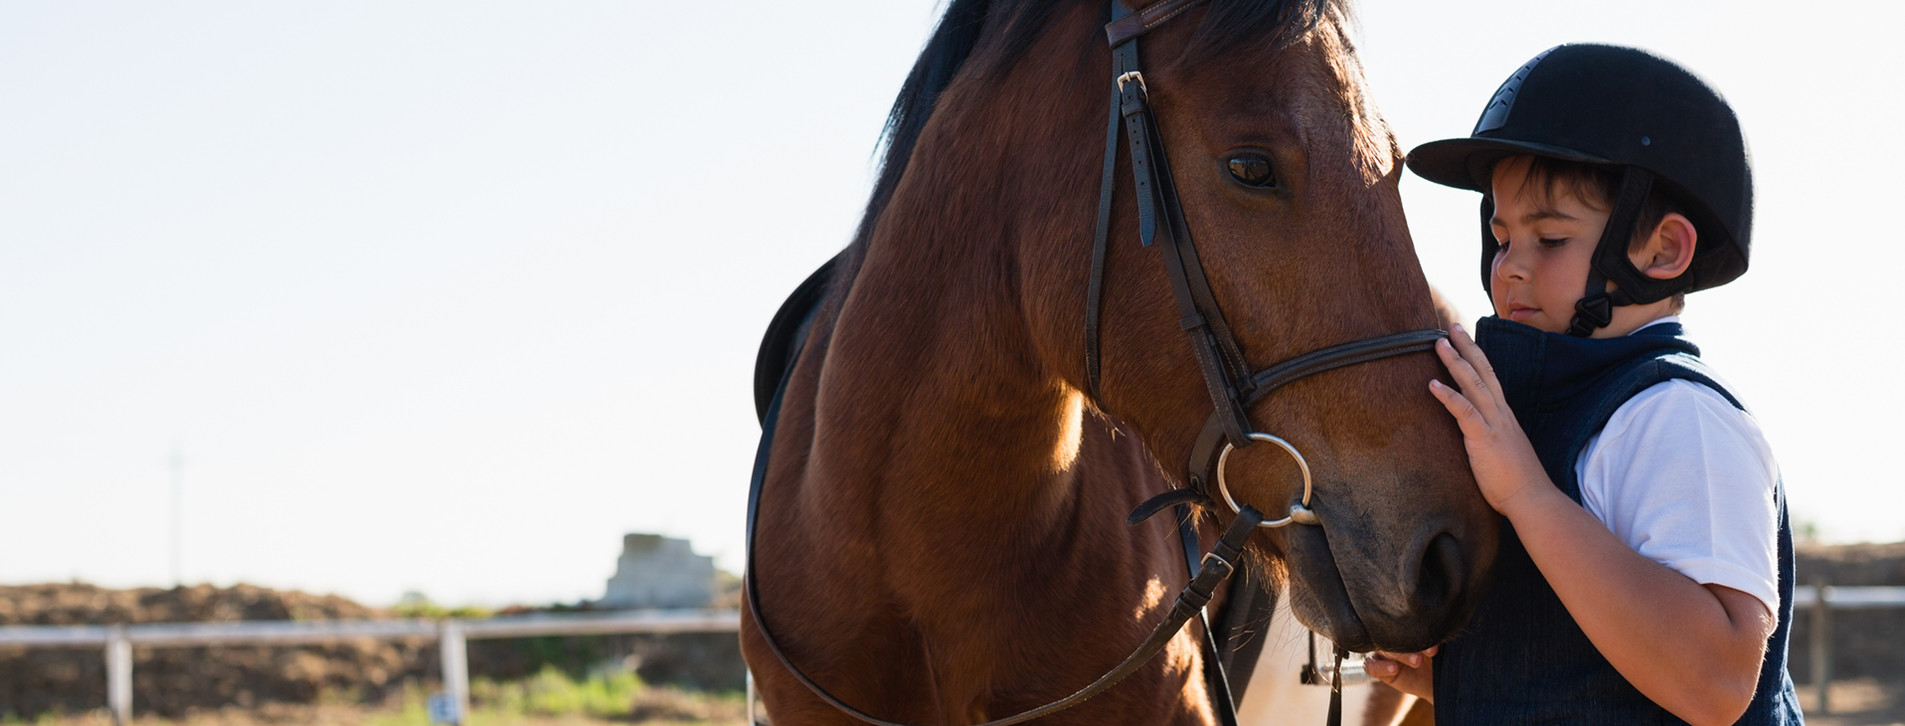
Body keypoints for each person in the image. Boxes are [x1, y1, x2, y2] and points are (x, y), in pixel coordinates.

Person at [1363, 44, 1803, 724]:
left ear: (1661, 251)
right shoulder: (1525, 420)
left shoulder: (1677, 418)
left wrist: (1527, 495)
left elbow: (1713, 682)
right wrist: (1472, 676)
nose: (1508, 267)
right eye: (1501, 236)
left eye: (1551, 239)